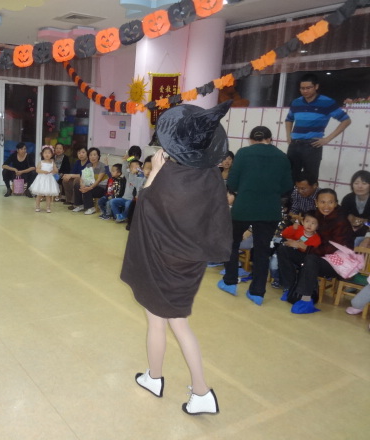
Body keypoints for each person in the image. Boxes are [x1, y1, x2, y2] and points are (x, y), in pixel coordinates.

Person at [121, 101, 232, 416]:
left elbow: (144, 209)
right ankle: (156, 378)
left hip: (161, 260)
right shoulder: (211, 176)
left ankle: (199, 390)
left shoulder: (168, 175)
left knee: (163, 322)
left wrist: (155, 173)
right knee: (175, 322)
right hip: (190, 262)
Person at [218, 126, 293, 306]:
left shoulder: (243, 153)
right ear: (270, 139)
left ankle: (230, 282)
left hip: (244, 207)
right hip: (270, 210)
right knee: (262, 251)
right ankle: (257, 293)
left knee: (231, 242)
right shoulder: (282, 157)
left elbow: (233, 182)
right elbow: (287, 187)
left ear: (251, 140)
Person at [277, 189, 355, 314]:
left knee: (311, 258)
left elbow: (332, 249)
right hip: (316, 253)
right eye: (322, 202)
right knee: (284, 249)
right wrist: (297, 241)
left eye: (330, 202)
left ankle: (306, 299)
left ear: (336, 203)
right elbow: (308, 232)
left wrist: (306, 248)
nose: (326, 206)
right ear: (316, 202)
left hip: (335, 263)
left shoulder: (341, 221)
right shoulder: (317, 215)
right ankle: (290, 288)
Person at [285, 73, 351, 181]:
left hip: (312, 145)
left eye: (308, 88)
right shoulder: (296, 102)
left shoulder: (327, 102)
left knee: (310, 179)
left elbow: (346, 120)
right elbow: (289, 119)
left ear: (316, 86)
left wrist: (327, 139)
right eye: (302, 88)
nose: (305, 91)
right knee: (290, 177)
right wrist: (288, 136)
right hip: (294, 145)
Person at [72, 147, 107, 215]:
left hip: (100, 187)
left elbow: (98, 180)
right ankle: (80, 205)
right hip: (90, 185)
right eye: (90, 155)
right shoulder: (88, 165)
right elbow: (82, 177)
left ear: (98, 156)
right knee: (77, 185)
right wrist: (82, 184)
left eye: (94, 155)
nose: (92, 157)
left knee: (87, 189)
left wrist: (89, 187)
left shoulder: (102, 166)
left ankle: (91, 208)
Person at [340, 170, 370, 246]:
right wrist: (349, 217)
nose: (360, 186)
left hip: (367, 234)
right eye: (356, 183)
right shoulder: (348, 198)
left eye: (364, 183)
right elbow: (342, 216)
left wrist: (365, 222)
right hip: (349, 232)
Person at [111, 158, 144, 223]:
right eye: (132, 166)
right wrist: (127, 159)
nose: (134, 168)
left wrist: (140, 171)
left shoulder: (141, 177)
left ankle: (123, 216)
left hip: (131, 200)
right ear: (129, 168)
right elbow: (123, 168)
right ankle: (118, 217)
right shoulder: (128, 175)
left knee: (127, 204)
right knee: (112, 201)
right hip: (124, 198)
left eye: (136, 166)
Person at [28, 145, 60, 213]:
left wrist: (54, 170)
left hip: (49, 180)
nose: (47, 154)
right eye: (45, 153)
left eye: (49, 153)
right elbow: (37, 170)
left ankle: (48, 207)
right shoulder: (41, 162)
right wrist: (43, 171)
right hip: (41, 179)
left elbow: (56, 170)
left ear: (52, 154)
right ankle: (37, 206)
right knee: (39, 194)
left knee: (48, 195)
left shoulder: (52, 162)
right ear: (42, 154)